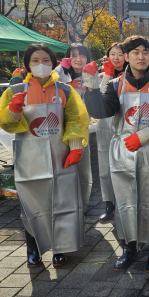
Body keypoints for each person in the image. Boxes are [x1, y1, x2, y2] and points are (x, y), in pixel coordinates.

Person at [83, 36, 149, 273]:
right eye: (135, 52)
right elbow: (101, 111)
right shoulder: (116, 85)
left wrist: (145, 136)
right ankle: (129, 246)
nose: (141, 56)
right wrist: (92, 87)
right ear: (126, 57)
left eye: (145, 52)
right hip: (124, 153)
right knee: (126, 201)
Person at [0, 44, 89, 268]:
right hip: (30, 158)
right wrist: (14, 110)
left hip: (60, 156)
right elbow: (4, 122)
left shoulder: (64, 90)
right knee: (32, 205)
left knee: (62, 201)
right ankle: (32, 248)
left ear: (53, 63)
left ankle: (60, 248)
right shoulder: (15, 91)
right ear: (27, 65)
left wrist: (75, 147)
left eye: (45, 60)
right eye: (35, 61)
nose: (40, 65)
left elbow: (76, 119)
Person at [56, 43, 94, 205]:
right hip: (59, 130)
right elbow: (51, 87)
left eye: (83, 55)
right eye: (74, 55)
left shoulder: (91, 75)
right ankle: (64, 206)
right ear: (67, 58)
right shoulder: (59, 75)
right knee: (61, 168)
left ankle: (83, 206)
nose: (78, 59)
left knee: (84, 170)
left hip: (82, 130)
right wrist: (62, 71)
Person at [96, 42, 128, 223]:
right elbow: (100, 98)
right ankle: (109, 204)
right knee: (105, 165)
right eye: (112, 54)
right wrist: (107, 76)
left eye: (120, 54)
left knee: (126, 164)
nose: (116, 57)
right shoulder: (101, 75)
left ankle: (126, 202)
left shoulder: (131, 75)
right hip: (105, 124)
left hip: (125, 122)